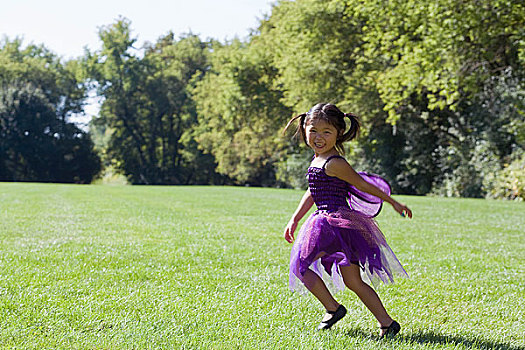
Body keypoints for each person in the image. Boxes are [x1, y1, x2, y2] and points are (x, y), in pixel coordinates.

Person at [283, 103, 412, 338]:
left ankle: (336, 309)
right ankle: (384, 322)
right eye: (313, 131)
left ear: (338, 133)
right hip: (323, 221)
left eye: (326, 132)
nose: (318, 137)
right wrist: (294, 218)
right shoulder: (318, 159)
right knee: (349, 280)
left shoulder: (335, 163)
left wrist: (393, 202)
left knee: (304, 267)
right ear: (304, 129)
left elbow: (363, 185)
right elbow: (313, 190)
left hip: (336, 225)